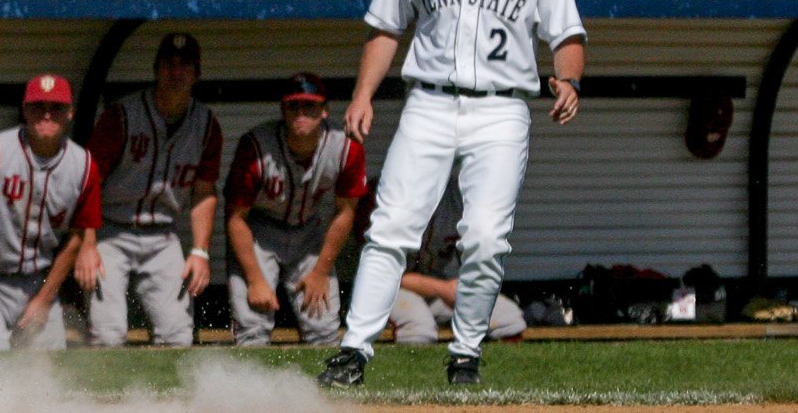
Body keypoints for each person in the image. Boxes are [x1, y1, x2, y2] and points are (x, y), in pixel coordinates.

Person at [319, 0, 584, 388]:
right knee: (390, 228)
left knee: (486, 236)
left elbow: (566, 33)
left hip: (502, 108)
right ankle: (353, 351)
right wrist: (363, 94)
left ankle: (466, 352)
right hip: (430, 102)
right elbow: (386, 28)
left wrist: (569, 77)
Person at [84, 31, 222, 347]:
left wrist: (200, 251)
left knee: (178, 333)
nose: (176, 72)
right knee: (108, 333)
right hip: (111, 231)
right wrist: (87, 243)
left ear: (197, 74)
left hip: (163, 236)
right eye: (168, 64)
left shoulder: (207, 124)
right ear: (156, 70)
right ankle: (102, 397)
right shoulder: (122, 115)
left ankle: (168, 397)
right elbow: (88, 183)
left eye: (185, 65)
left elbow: (204, 191)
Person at [0, 74, 101, 352]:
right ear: (25, 110)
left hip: (38, 280)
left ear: (69, 113)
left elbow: (77, 236)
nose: (46, 114)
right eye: (37, 106)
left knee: (48, 370)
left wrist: (45, 297)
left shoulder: (84, 165)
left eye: (55, 107)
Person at [222, 73, 366, 348]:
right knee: (253, 327)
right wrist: (255, 278)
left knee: (322, 327)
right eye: (293, 105)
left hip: (308, 233)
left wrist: (321, 272)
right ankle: (248, 391)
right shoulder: (255, 145)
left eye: (309, 106)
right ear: (282, 110)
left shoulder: (346, 147)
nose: (301, 112)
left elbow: (345, 213)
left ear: (324, 110)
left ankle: (320, 391)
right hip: (259, 233)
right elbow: (235, 218)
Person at [390, 176, 528, 345]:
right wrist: (442, 288)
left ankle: (495, 368)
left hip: (436, 289)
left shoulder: (459, 194)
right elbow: (386, 275)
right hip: (388, 291)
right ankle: (418, 370)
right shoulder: (389, 192)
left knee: (509, 320)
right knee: (419, 331)